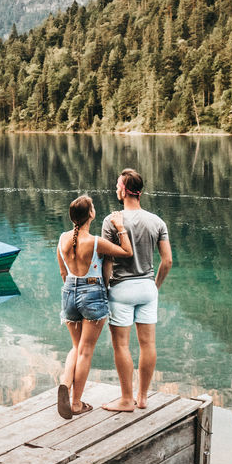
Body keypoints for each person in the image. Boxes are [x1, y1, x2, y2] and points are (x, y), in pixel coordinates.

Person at [101, 168, 173, 412]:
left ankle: (126, 399)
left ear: (123, 191)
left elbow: (107, 261)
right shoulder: (157, 222)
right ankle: (142, 398)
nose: (115, 189)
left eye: (117, 186)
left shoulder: (111, 221)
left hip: (121, 289)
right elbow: (167, 261)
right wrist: (155, 286)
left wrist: (104, 288)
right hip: (147, 288)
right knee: (148, 344)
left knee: (121, 345)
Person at [56, 194, 133, 419]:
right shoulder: (95, 242)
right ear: (91, 214)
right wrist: (121, 228)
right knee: (86, 350)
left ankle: (65, 382)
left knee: (76, 347)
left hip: (68, 292)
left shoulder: (62, 239)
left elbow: (63, 272)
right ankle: (76, 403)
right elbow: (127, 252)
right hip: (92, 293)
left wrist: (73, 290)